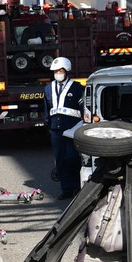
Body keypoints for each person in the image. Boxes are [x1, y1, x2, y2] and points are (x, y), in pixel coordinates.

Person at [44, 57, 84, 200]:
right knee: (60, 159)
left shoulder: (77, 88)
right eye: (55, 71)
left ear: (67, 71)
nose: (58, 73)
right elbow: (47, 110)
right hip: (56, 129)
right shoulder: (48, 88)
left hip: (72, 128)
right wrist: (48, 125)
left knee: (72, 158)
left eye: (60, 71)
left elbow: (82, 108)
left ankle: (77, 186)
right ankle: (66, 189)